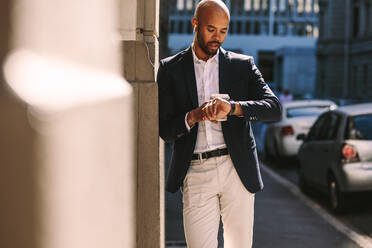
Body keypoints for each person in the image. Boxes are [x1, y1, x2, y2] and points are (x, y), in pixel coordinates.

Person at [157, 0, 282, 247]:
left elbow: (274, 108)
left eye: (223, 31)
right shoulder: (170, 69)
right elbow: (165, 129)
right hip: (195, 170)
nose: (218, 37)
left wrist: (234, 108)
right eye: (211, 29)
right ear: (195, 24)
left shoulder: (241, 65)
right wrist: (194, 116)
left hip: (235, 169)